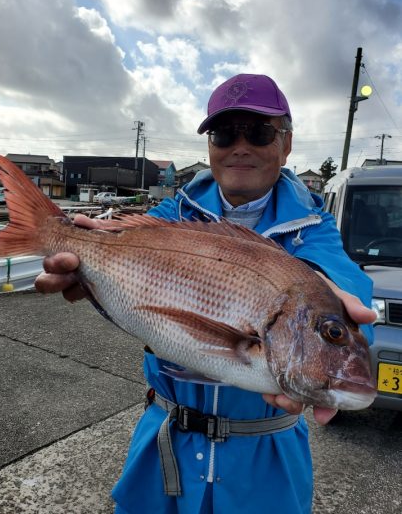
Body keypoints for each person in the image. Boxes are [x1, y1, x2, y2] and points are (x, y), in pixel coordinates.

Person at [36, 73, 376, 514]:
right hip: (165, 442)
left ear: (286, 144)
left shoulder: (314, 226)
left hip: (266, 454)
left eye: (257, 132)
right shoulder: (170, 214)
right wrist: (90, 269)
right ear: (209, 147)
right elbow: (137, 296)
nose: (239, 145)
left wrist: (325, 294)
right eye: (223, 133)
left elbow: (339, 274)